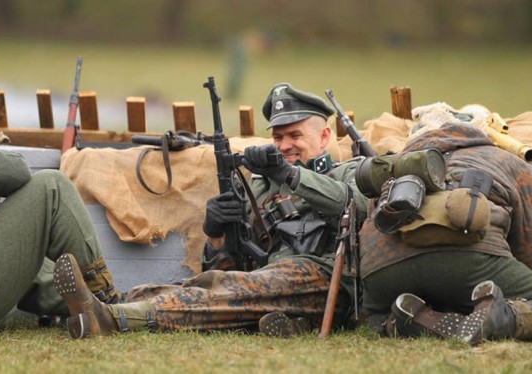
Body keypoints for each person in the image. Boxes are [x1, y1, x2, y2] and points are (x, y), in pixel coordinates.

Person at [52, 82, 369, 339]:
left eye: (295, 135)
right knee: (199, 286)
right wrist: (216, 234)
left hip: (326, 283)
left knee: (233, 290)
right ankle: (107, 304)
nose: (284, 145)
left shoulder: (348, 172)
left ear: (325, 136)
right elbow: (229, 265)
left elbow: (354, 206)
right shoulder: (261, 188)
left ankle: (114, 319)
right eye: (278, 137)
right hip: (267, 284)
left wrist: (291, 176)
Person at [0, 71, 122, 347]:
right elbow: (17, 170)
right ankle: (109, 297)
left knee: (30, 257)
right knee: (51, 187)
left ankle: (92, 304)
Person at [359, 121, 532, 344]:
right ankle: (500, 320)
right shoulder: (505, 160)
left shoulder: (394, 166)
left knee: (374, 315)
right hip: (470, 261)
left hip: (384, 268)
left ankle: (394, 322)